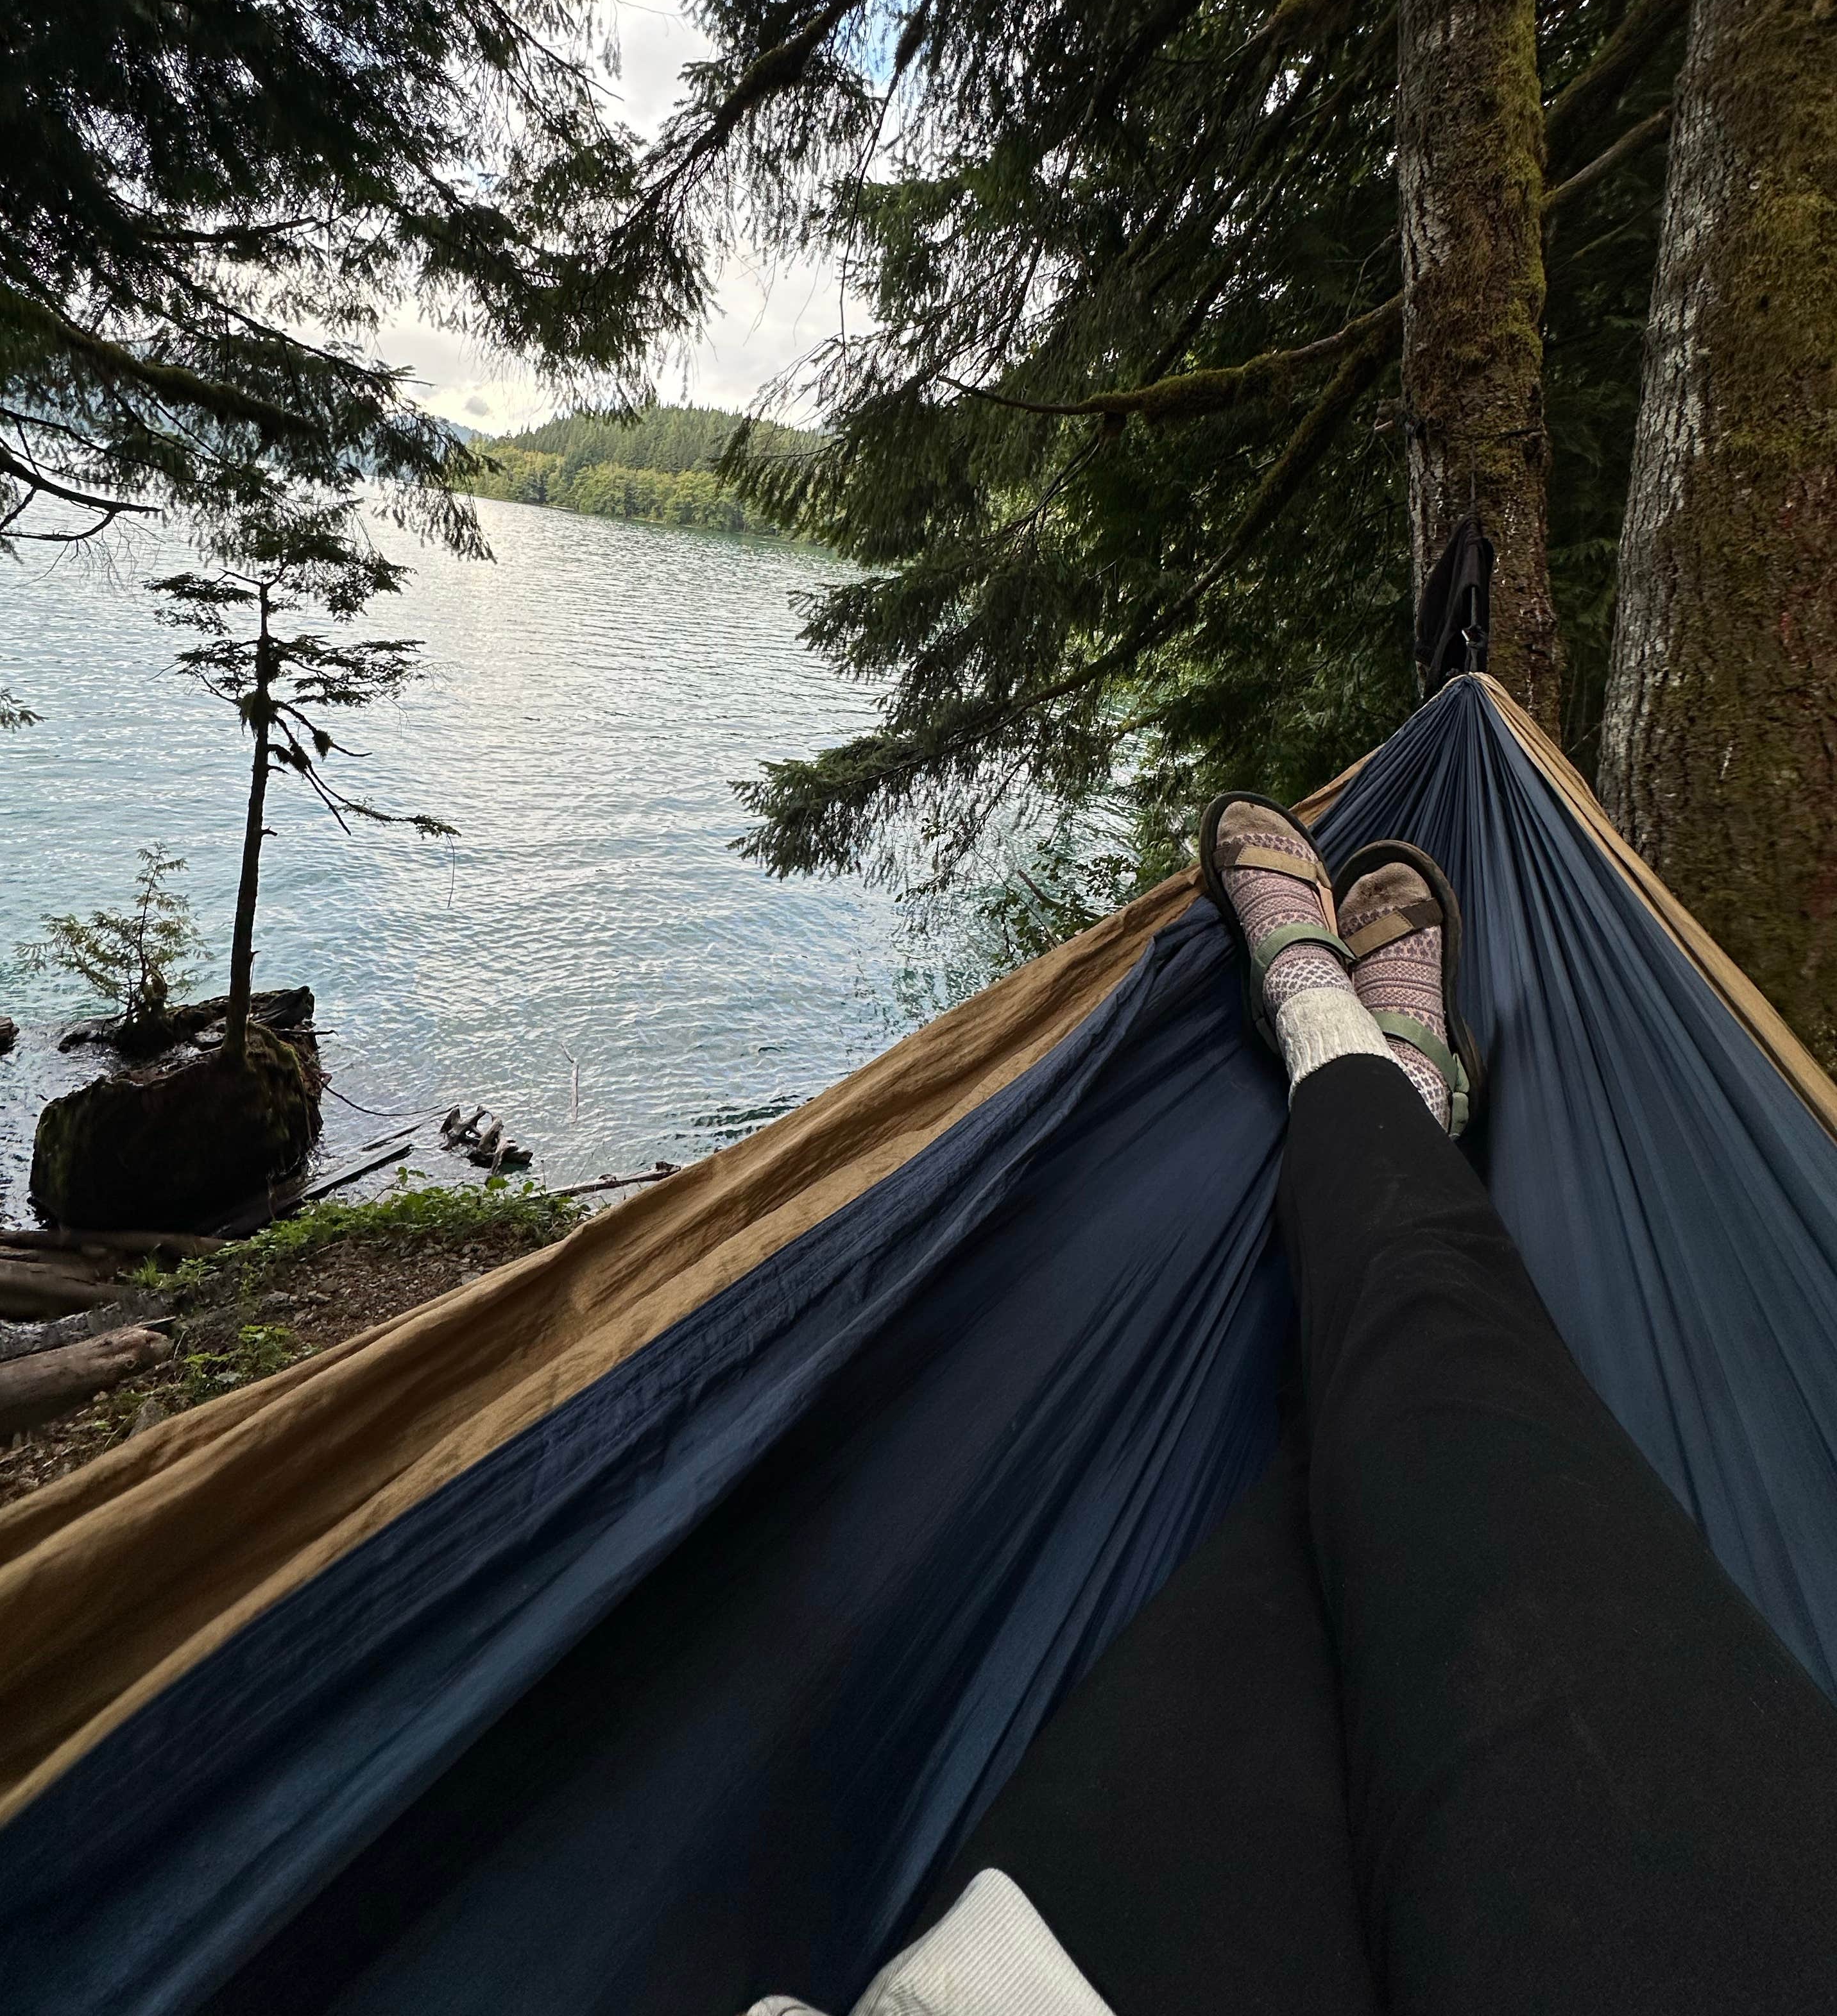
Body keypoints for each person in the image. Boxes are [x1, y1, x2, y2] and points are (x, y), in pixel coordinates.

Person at [749, 798, 1837, 2016]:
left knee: (1361, 1484)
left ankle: (1344, 1041)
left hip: (1061, 1961)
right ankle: (1377, 1070)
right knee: (1435, 1368)